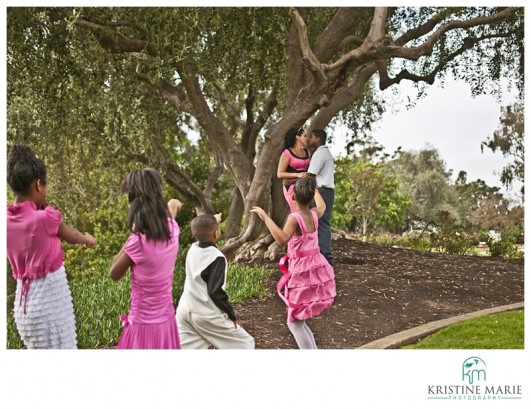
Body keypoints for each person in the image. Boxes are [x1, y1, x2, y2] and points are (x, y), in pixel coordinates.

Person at [6, 143, 96, 349]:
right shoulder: (45, 218)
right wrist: (87, 239)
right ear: (38, 185)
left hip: (23, 311)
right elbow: (72, 235)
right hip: (49, 307)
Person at [251, 177, 336, 349]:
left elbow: (282, 239)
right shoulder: (314, 214)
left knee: (294, 322)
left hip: (302, 273)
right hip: (315, 269)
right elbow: (322, 206)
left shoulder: (294, 218)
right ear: (311, 197)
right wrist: (315, 189)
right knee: (299, 321)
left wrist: (265, 217)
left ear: (293, 197)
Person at [109, 168, 182, 349]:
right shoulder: (173, 230)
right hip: (167, 321)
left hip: (142, 327)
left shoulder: (137, 242)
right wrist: (173, 204)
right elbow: (172, 210)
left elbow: (114, 273)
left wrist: (133, 233)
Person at [176, 213, 255, 349]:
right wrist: (232, 315)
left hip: (185, 310)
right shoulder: (216, 257)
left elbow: (202, 228)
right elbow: (215, 292)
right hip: (205, 314)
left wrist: (212, 221)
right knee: (246, 344)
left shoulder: (192, 248)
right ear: (216, 233)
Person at [307, 128, 335, 266]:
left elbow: (311, 174)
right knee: (323, 222)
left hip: (322, 191)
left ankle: (325, 256)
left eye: (311, 137)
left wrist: (309, 192)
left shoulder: (320, 154)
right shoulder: (326, 152)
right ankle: (322, 254)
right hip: (327, 191)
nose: (308, 140)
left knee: (321, 222)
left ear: (318, 139)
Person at [277, 127, 312, 211]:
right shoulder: (287, 153)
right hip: (292, 187)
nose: (307, 138)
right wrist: (298, 174)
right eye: (305, 136)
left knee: (306, 213)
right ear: (298, 137)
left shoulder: (307, 152)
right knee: (298, 213)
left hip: (306, 187)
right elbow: (280, 174)